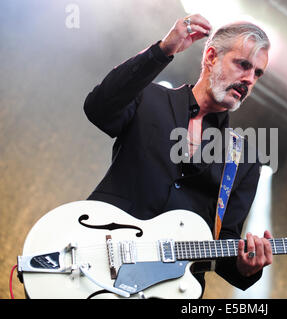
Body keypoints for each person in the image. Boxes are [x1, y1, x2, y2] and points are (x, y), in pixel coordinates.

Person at [83, 14, 273, 295]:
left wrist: (247, 268)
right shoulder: (150, 99)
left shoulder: (244, 159)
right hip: (96, 260)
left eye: (257, 73)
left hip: (170, 289)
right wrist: (163, 50)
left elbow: (225, 241)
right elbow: (98, 107)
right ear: (211, 56)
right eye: (243, 65)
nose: (249, 79)